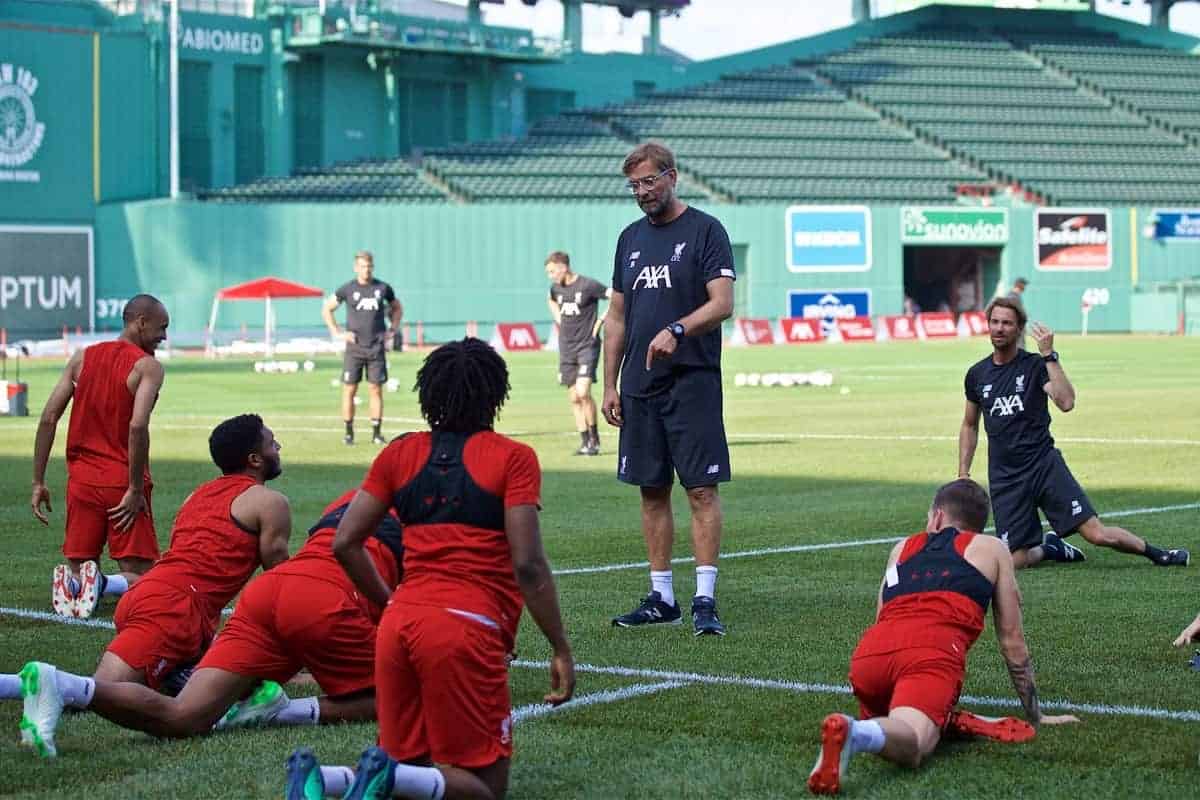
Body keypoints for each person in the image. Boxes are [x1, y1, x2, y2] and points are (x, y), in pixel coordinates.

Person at [284, 338, 574, 800]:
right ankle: (383, 777)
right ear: (495, 394)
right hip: (467, 626)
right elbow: (528, 564)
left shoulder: (399, 455)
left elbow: (346, 542)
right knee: (485, 787)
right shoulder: (513, 458)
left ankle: (329, 780)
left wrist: (390, 602)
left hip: (399, 625)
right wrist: (560, 646)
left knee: (409, 761)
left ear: (428, 393)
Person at [7, 488, 400, 754]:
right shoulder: (438, 508)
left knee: (185, 717)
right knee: (405, 695)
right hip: (202, 604)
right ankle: (280, 712)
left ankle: (61, 683)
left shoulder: (357, 497)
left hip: (265, 593)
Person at [16, 413, 291, 755]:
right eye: (271, 442)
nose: (277, 446)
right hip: (173, 610)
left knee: (237, 678)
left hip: (154, 595)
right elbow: (281, 581)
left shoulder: (198, 495)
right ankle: (47, 682)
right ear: (255, 459)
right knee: (98, 691)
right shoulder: (270, 502)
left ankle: (180, 670)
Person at [807, 479, 1080, 795]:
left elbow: (881, 616)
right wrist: (1036, 714)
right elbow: (1012, 640)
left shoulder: (901, 547)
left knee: (897, 721)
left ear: (937, 517)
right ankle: (856, 733)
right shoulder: (991, 548)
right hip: (930, 654)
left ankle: (932, 720)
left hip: (869, 658)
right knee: (915, 743)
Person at [601, 141, 736, 636]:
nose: (641, 192)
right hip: (639, 387)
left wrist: (677, 330)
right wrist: (610, 384)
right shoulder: (629, 239)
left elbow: (722, 303)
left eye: (649, 181)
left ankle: (704, 598)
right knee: (650, 489)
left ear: (672, 177)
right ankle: (662, 598)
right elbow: (616, 318)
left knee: (700, 489)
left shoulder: (705, 231)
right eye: (634, 185)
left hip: (692, 381)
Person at [958, 297, 1188, 569]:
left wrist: (1049, 355)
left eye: (1007, 323)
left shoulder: (1033, 365)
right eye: (994, 322)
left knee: (1097, 534)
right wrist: (963, 471)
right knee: (1012, 560)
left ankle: (1159, 554)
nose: (999, 328)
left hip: (1043, 465)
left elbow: (1066, 402)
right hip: (1005, 476)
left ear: (1019, 328)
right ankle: (1050, 547)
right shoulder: (977, 374)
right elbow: (969, 425)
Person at [31, 294, 169, 619]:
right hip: (121, 483)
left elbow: (49, 417)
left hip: (81, 481)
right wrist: (135, 489)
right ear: (141, 322)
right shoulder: (147, 367)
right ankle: (105, 583)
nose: (164, 336)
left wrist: (38, 480)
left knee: (79, 565)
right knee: (147, 577)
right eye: (162, 328)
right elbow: (137, 426)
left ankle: (78, 586)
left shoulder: (82, 358)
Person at [322, 250, 403, 446]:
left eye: (369, 266)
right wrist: (337, 332)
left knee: (376, 389)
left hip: (376, 347)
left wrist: (392, 329)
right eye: (362, 266)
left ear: (372, 267)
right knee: (349, 389)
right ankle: (349, 433)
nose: (366, 270)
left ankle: (376, 433)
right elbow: (327, 308)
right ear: (356, 268)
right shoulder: (347, 289)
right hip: (354, 348)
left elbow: (397, 307)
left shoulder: (383, 288)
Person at [545, 250, 611, 455]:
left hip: (587, 345)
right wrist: (558, 317)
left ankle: (595, 440)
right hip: (566, 347)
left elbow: (616, 296)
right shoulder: (556, 289)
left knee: (583, 392)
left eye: (552, 271)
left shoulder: (588, 285)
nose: (551, 276)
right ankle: (585, 443)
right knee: (574, 397)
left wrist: (601, 321)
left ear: (564, 267)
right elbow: (551, 299)